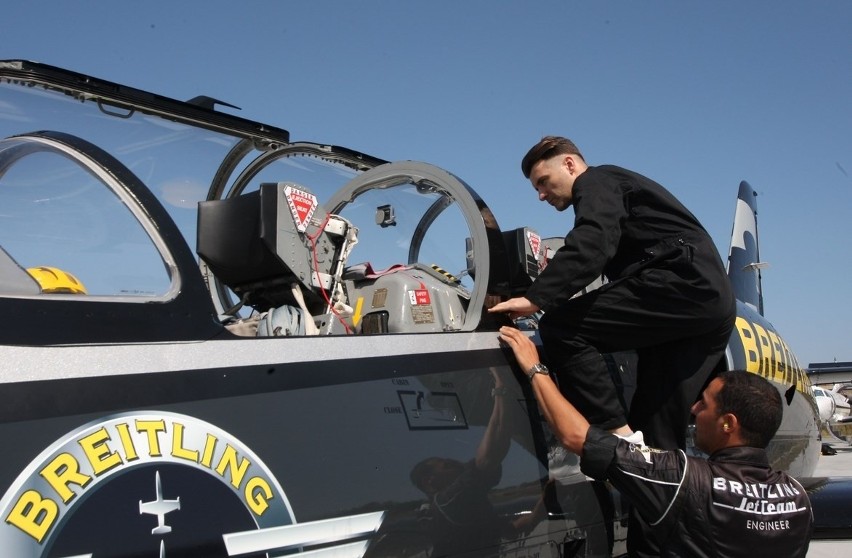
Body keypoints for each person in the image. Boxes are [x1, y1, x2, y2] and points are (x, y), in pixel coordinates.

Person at [489, 136, 736, 451]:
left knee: (561, 327)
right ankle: (654, 476)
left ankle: (619, 439)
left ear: (570, 164)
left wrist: (536, 298)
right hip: (709, 303)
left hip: (681, 284)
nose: (541, 195)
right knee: (655, 423)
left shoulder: (597, 181)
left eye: (543, 182)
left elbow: (593, 239)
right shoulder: (620, 187)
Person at [498, 325, 814, 557]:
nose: (694, 409)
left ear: (729, 423)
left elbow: (575, 436)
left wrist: (534, 368)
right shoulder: (798, 497)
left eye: (704, 403)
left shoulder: (685, 480)